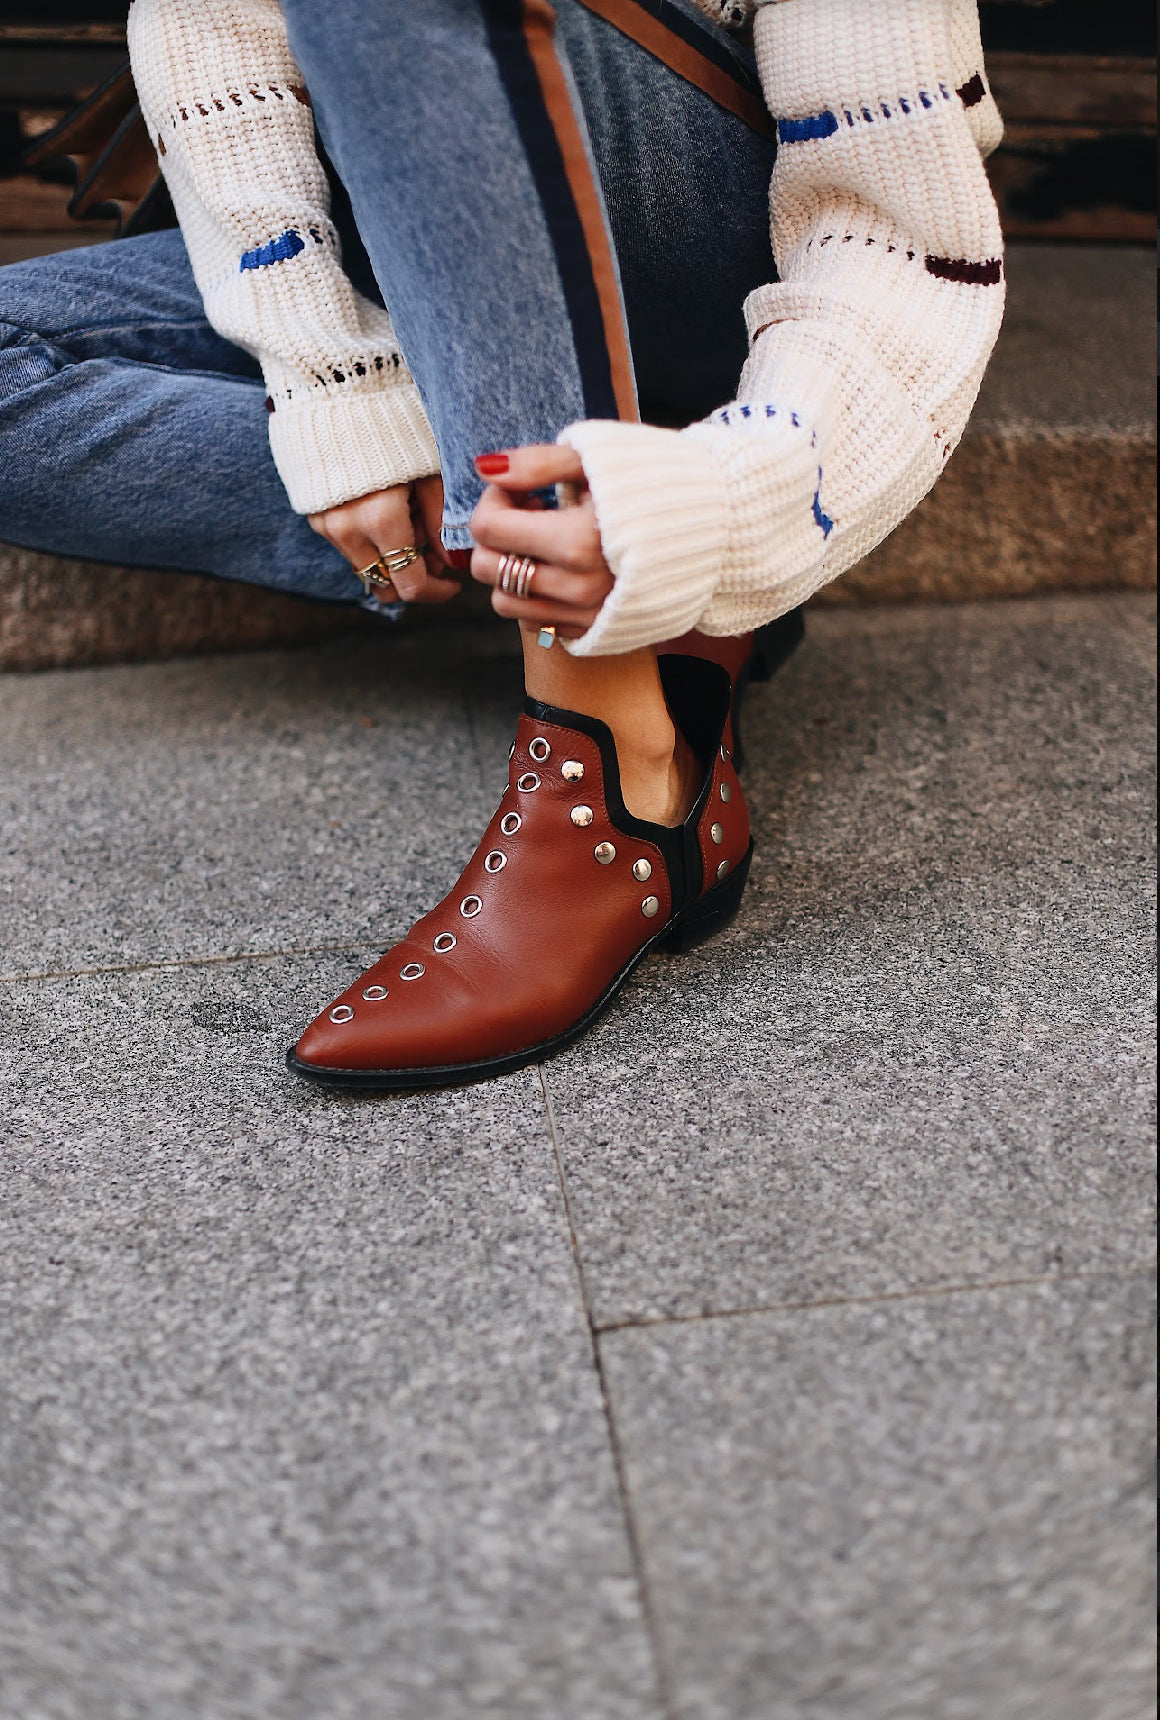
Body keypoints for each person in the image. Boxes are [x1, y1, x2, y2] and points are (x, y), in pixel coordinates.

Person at [0, 0, 1005, 1089]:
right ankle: (587, 517)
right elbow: (216, 40)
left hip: (691, 226)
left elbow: (899, 241)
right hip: (389, 216)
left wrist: (729, 498)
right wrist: (336, 385)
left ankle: (610, 735)